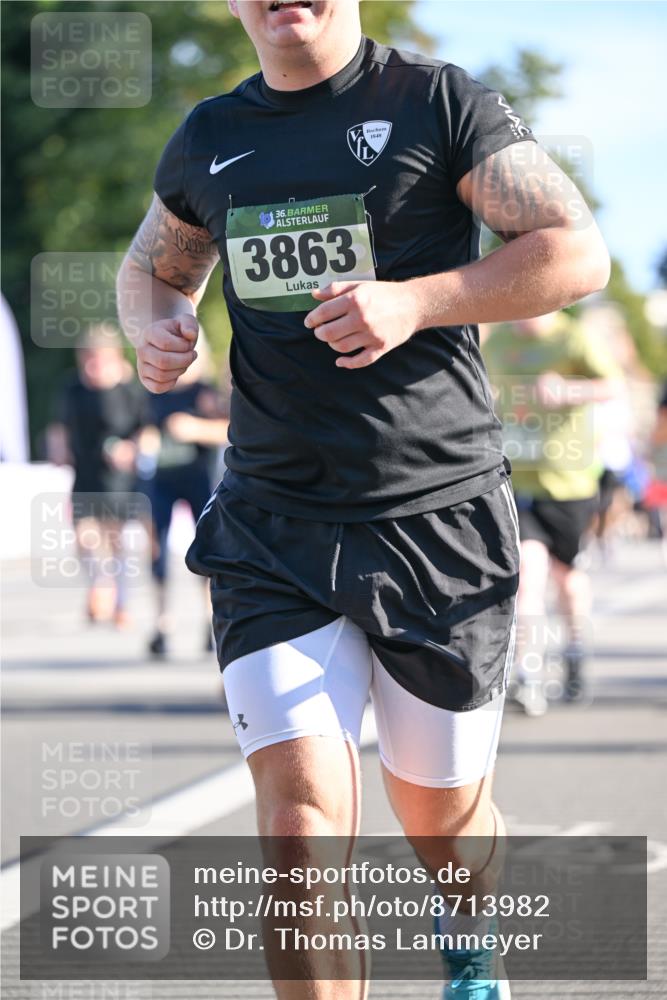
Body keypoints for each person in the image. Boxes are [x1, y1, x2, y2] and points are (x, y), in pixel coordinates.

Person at [117, 3, 610, 996]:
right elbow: (151, 269)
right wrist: (161, 324)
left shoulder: (435, 102)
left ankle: (469, 936)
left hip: (435, 517)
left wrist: (416, 299)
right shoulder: (212, 135)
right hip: (272, 521)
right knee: (298, 839)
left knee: (441, 819)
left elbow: (574, 250)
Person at [484, 313, 621, 714]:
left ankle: (575, 652)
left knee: (569, 581)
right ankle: (528, 674)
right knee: (527, 573)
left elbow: (613, 386)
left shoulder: (574, 338)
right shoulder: (498, 340)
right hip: (519, 478)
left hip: (570, 481)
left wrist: (569, 390)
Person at [137, 334, 229, 657]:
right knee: (157, 551)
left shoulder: (204, 391)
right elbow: (145, 428)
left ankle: (209, 621)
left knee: (204, 551)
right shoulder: (155, 392)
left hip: (199, 480)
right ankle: (162, 624)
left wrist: (194, 428)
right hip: (162, 479)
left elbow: (229, 430)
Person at [47, 326, 147, 626]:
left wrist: (131, 450)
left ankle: (121, 604)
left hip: (119, 480)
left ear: (114, 358)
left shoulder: (130, 390)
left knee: (117, 543)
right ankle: (100, 584)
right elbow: (58, 426)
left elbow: (148, 430)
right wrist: (58, 450)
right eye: (87, 361)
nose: (92, 368)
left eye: (98, 360)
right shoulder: (73, 388)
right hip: (85, 474)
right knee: (84, 538)